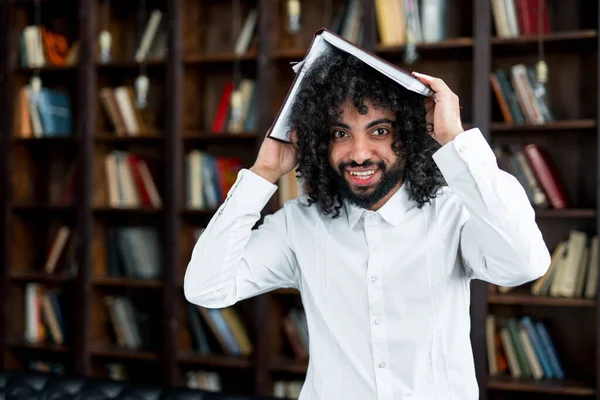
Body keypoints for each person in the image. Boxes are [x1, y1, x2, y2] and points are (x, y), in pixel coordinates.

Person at [183, 48, 551, 400]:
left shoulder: (452, 213)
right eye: (341, 134)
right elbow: (206, 289)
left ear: (406, 136)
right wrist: (263, 173)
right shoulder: (299, 224)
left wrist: (454, 139)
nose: (359, 153)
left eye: (379, 131)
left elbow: (524, 263)